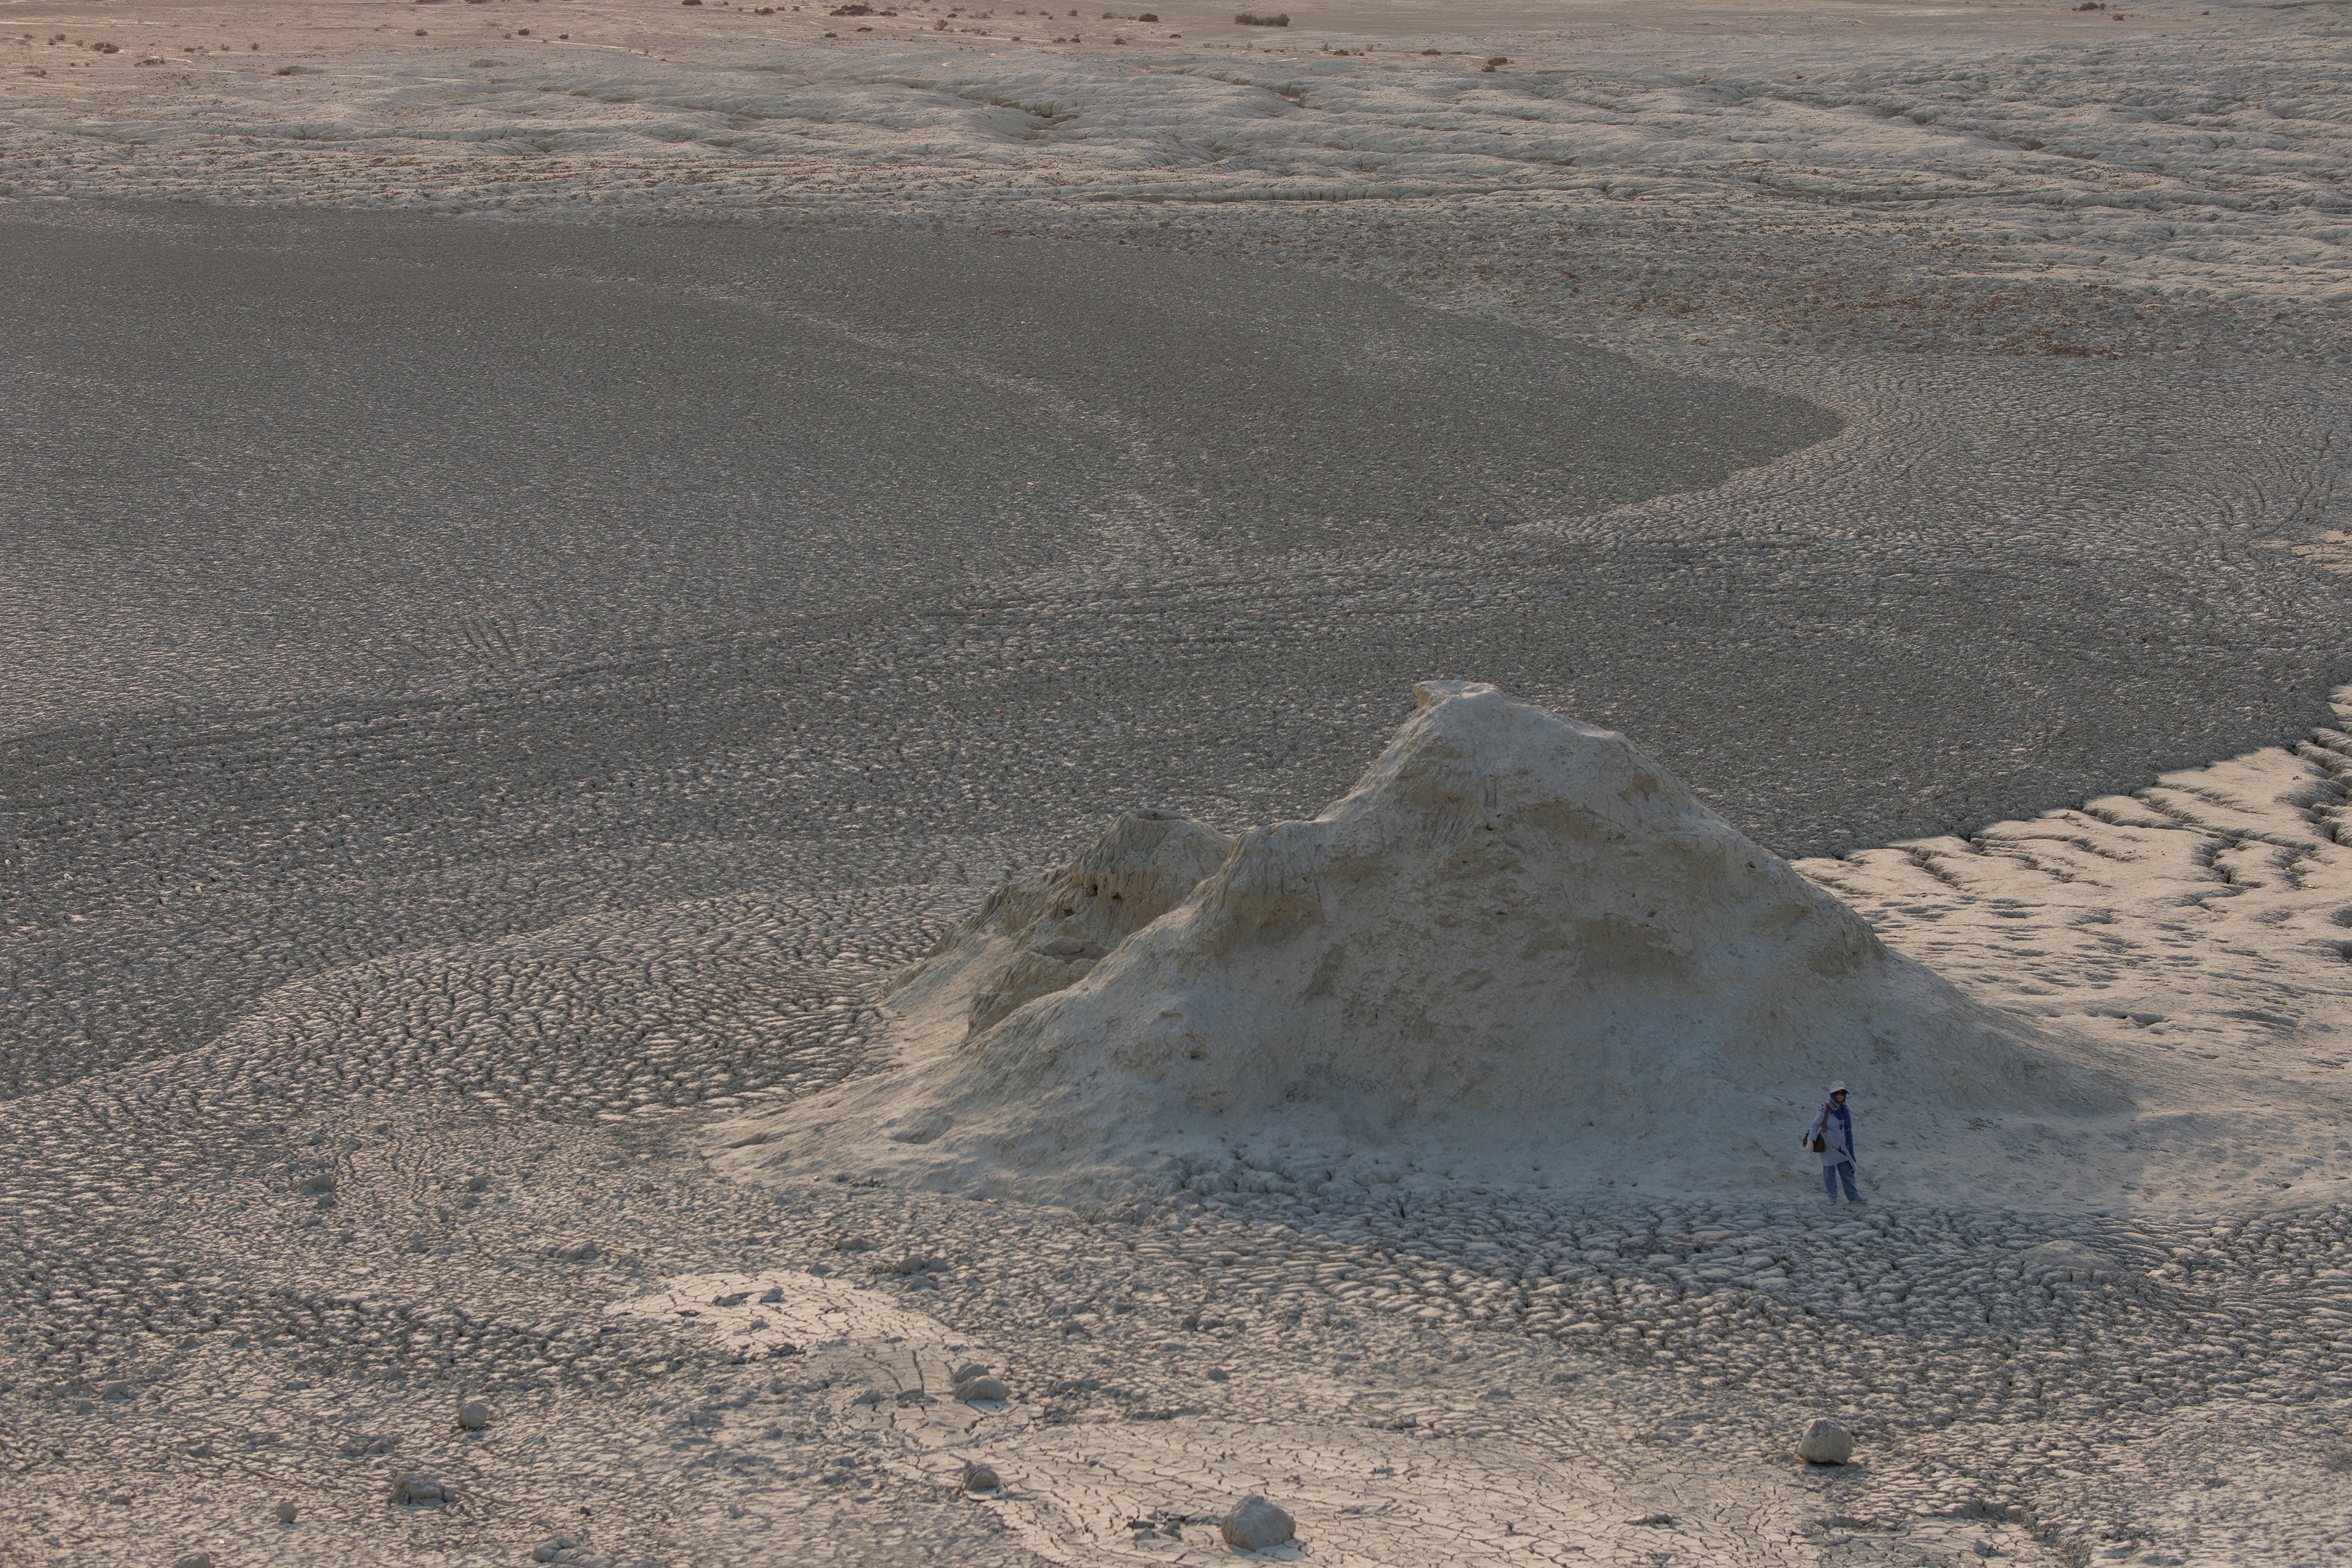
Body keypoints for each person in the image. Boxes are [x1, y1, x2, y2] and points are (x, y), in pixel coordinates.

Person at [1806, 1081, 1864, 1204]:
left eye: (1842, 1093)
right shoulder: (1824, 1108)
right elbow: (1815, 1125)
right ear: (1832, 1094)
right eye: (1837, 1093)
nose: (1839, 1096)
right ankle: (1832, 1197)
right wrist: (1811, 1141)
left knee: (1847, 1171)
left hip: (1843, 1147)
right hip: (1828, 1147)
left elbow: (1847, 1130)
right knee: (1829, 1173)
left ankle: (1853, 1196)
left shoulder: (1846, 1108)